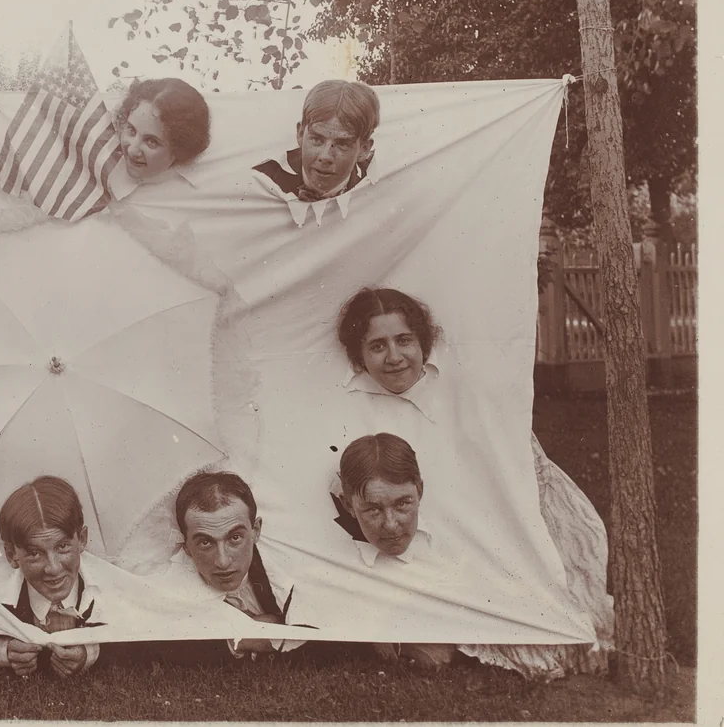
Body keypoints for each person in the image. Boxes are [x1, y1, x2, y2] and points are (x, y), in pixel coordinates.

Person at [336, 286, 613, 679]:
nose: (395, 357)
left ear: (422, 342)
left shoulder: (462, 393)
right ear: (359, 356)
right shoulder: (352, 410)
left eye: (404, 341)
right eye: (377, 346)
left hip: (490, 531)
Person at [0, 476, 106, 679]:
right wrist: (3, 651)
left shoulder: (107, 593)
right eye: (35, 553)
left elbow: (141, 637)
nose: (53, 568)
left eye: (62, 547)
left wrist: (90, 653)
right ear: (12, 555)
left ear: (82, 540)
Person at [337, 433, 454, 671]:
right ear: (348, 505)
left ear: (420, 491)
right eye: (372, 509)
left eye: (402, 504)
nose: (390, 524)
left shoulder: (453, 547)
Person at [162, 471, 303, 661]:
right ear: (186, 545)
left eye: (235, 538)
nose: (223, 561)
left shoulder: (287, 565)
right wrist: (241, 636)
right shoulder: (166, 584)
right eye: (205, 543)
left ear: (256, 531)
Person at [253, 79, 379, 224]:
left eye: (342, 144)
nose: (325, 156)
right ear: (301, 134)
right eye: (317, 140)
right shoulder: (263, 180)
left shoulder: (374, 183)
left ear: (364, 150)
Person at [107, 78, 211, 201]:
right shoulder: (103, 159)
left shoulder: (192, 197)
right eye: (131, 130)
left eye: (151, 141)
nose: (132, 150)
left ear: (179, 149)